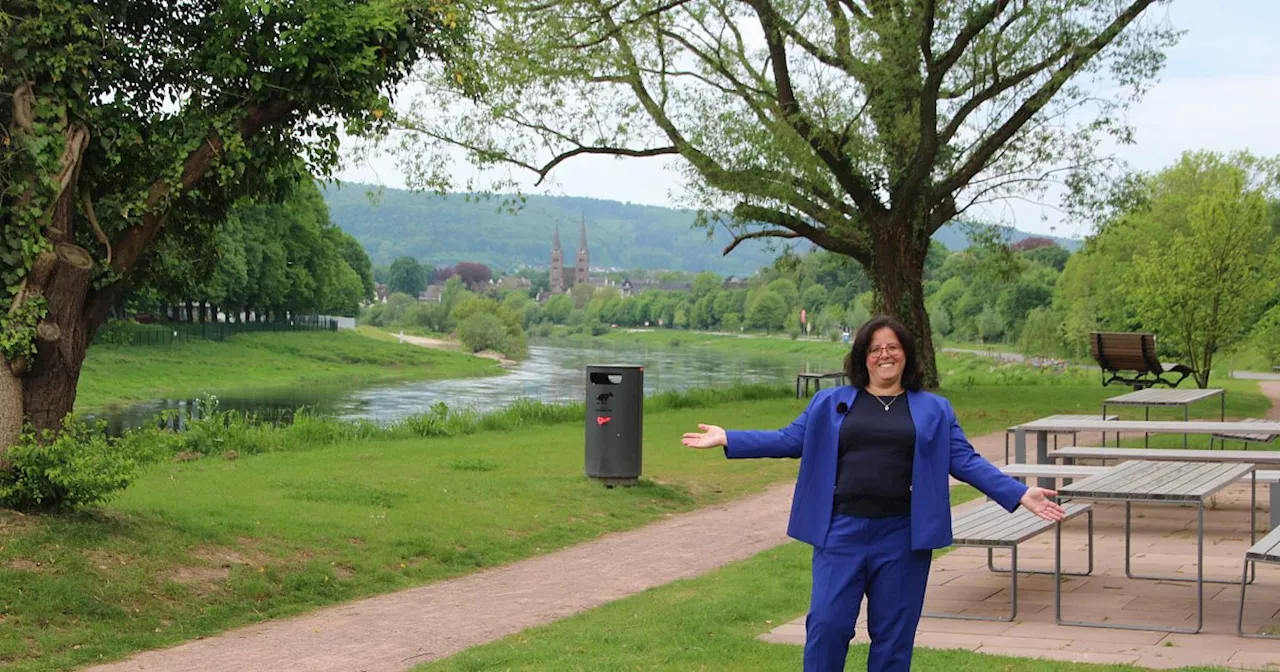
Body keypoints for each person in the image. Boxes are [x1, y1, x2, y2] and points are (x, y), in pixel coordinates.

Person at [681, 315, 1064, 672]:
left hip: (903, 538)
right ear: (862, 357)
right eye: (875, 348)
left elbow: (964, 461)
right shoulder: (830, 403)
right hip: (840, 533)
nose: (885, 354)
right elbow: (789, 439)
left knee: (893, 639)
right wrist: (728, 437)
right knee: (827, 627)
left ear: (906, 355)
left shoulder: (934, 409)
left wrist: (1018, 493)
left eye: (893, 347)